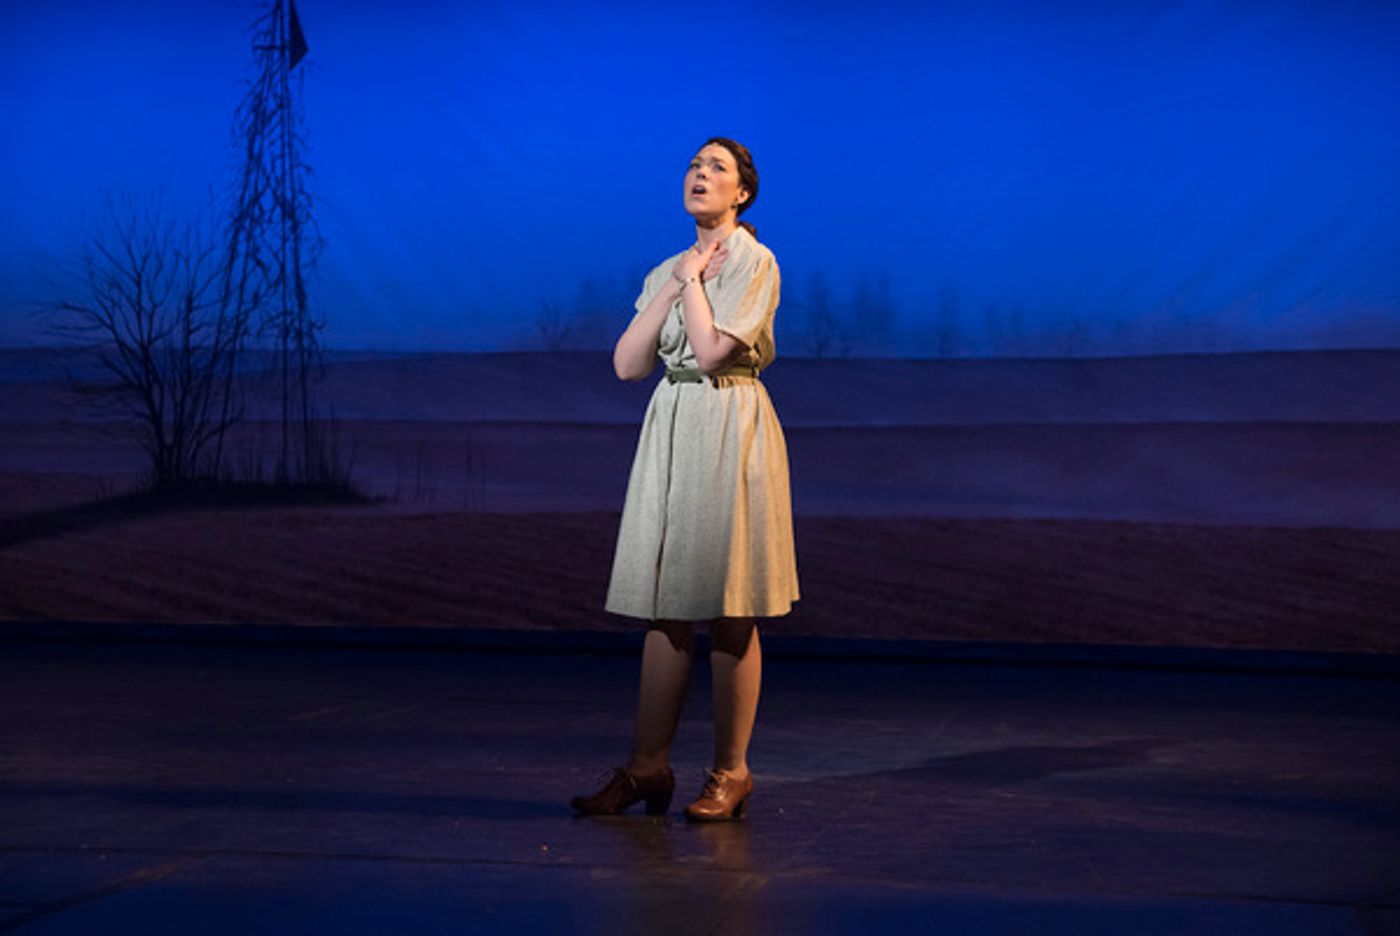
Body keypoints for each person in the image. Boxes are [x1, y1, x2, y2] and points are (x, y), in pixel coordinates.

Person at [570, 137, 799, 821]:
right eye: (694, 166)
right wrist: (678, 278)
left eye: (717, 169)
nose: (700, 175)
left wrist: (696, 282)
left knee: (730, 604)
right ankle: (646, 769)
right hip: (670, 423)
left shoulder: (755, 261)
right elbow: (626, 364)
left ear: (743, 194)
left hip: (729, 421)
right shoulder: (669, 267)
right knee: (664, 604)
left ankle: (731, 772)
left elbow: (707, 352)